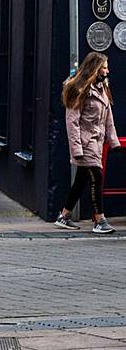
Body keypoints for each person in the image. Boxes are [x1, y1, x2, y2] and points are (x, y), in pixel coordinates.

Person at [56, 52, 120, 234]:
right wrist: (76, 149)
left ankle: (64, 215)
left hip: (97, 142)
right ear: (94, 68)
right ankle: (100, 220)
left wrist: (113, 141)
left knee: (81, 180)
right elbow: (72, 121)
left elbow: (109, 118)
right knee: (97, 177)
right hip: (85, 143)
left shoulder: (103, 87)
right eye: (105, 67)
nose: (108, 70)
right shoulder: (79, 89)